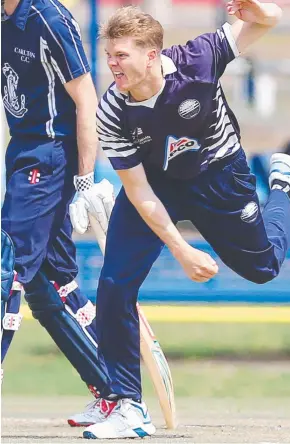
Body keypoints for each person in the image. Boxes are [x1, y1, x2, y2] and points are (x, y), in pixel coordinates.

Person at [73, 1, 290, 439]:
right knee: (113, 285)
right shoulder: (112, 111)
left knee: (262, 269)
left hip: (218, 176)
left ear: (151, 54)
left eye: (121, 55)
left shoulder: (199, 58)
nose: (113, 65)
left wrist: (253, 6)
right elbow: (140, 192)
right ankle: (127, 404)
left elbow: (270, 19)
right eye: (109, 56)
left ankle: (283, 184)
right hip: (156, 187)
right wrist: (180, 248)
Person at [1, 0, 119, 426]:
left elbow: (86, 98)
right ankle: (116, 390)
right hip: (21, 154)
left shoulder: (50, 18)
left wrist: (85, 179)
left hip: (50, 157)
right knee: (51, 286)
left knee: (7, 263)